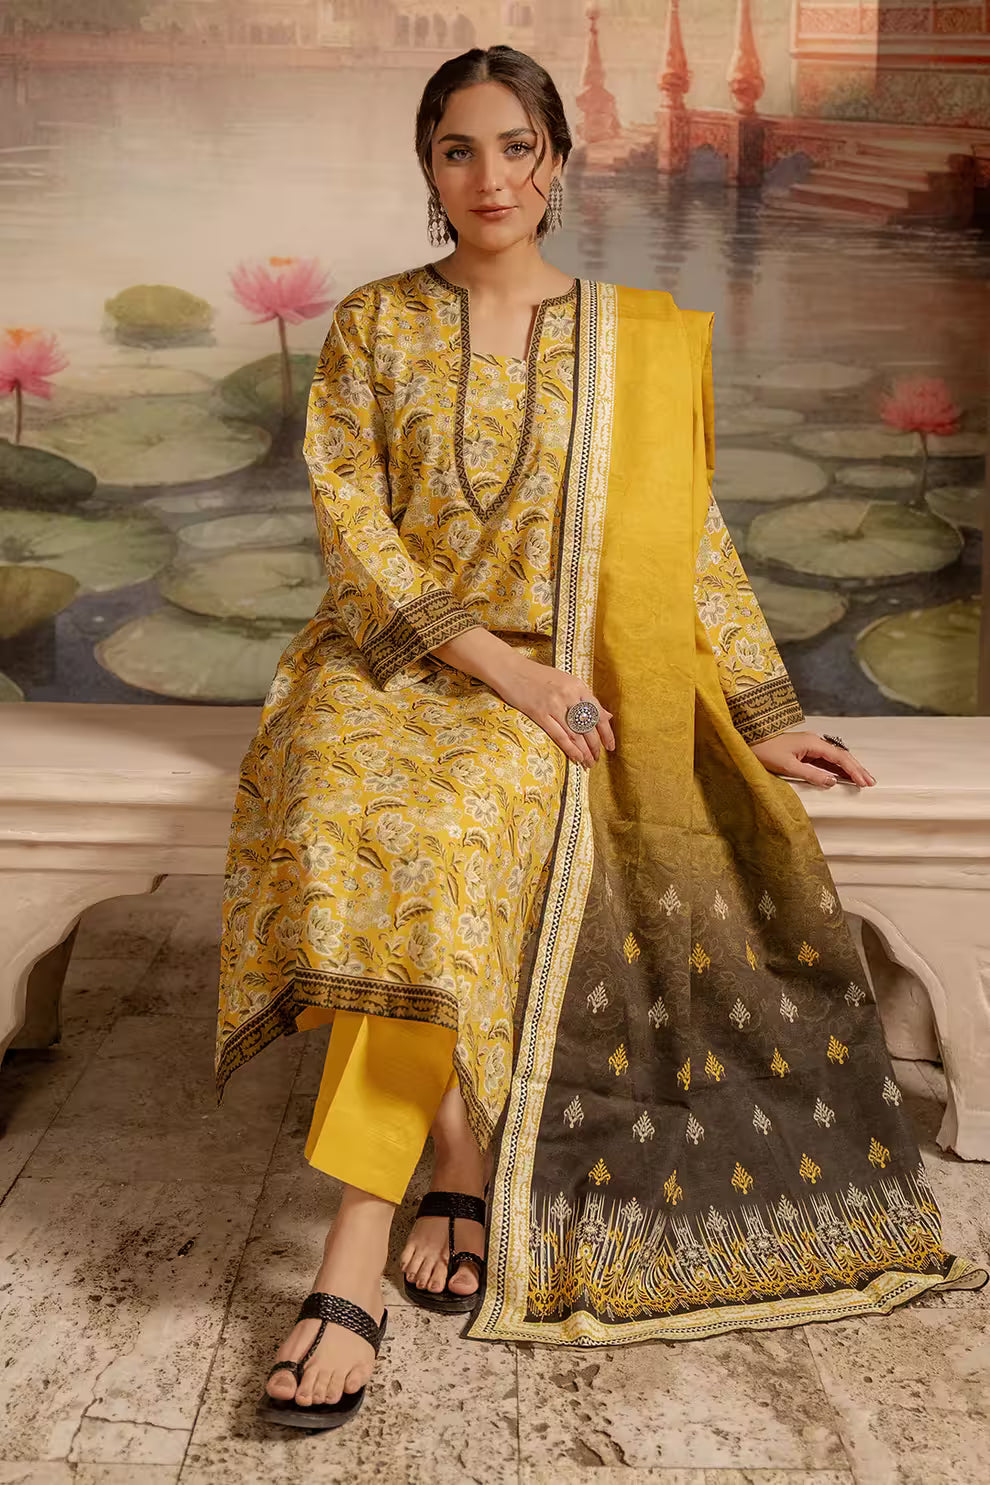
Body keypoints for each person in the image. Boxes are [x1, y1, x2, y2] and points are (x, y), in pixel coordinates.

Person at [216, 45, 986, 1431]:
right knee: (357, 813)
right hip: (394, 666)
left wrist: (764, 715)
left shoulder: (633, 334)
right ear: (428, 168)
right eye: (458, 149)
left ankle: (349, 1256)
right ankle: (458, 1148)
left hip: (570, 680)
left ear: (556, 160)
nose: (488, 176)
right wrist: (499, 668)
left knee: (439, 840)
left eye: (515, 146)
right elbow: (354, 530)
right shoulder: (374, 325)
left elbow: (685, 545)